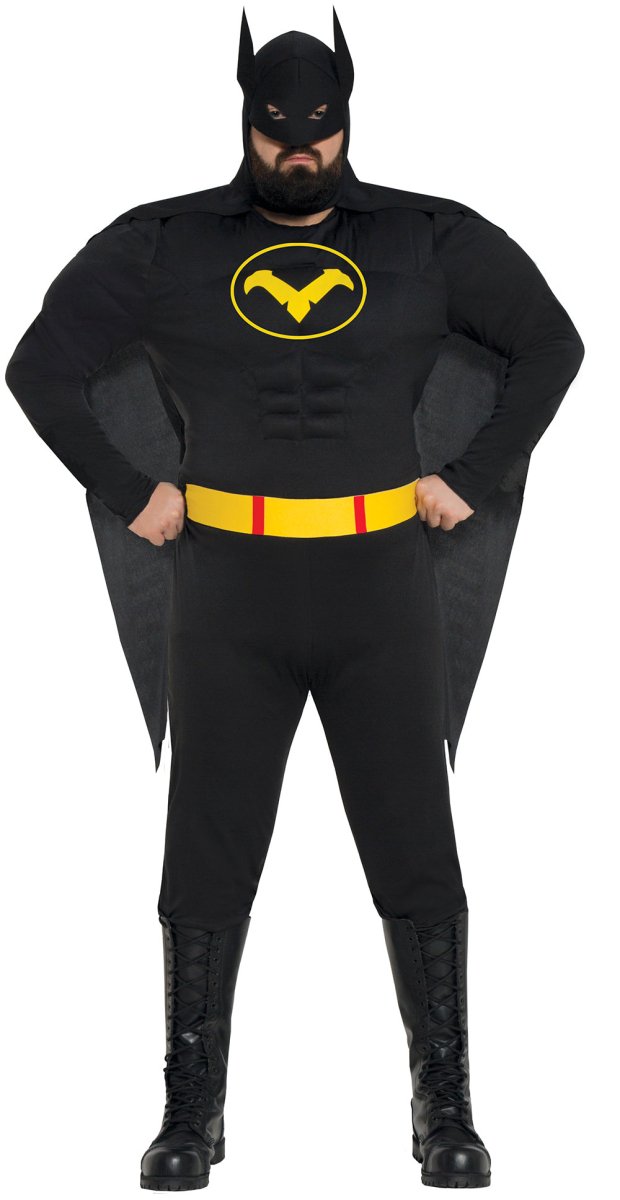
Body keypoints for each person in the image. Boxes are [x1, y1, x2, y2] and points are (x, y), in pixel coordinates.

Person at [4, 8, 585, 1191]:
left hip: (381, 583)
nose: (298, 149)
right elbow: (39, 367)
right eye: (277, 129)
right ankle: (190, 1113)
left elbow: (549, 344)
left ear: (347, 121)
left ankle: (443, 1108)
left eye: (317, 127)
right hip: (229, 587)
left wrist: (470, 477)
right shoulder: (164, 245)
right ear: (246, 122)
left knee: (414, 846)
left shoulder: (424, 238)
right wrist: (128, 490)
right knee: (205, 855)